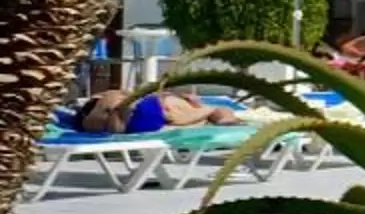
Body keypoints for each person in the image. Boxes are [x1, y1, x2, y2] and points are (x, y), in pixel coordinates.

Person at [66, 88, 251, 133]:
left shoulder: (102, 101)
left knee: (116, 109)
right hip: (153, 114)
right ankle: (227, 122)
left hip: (150, 112)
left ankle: (115, 115)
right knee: (216, 109)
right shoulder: (191, 107)